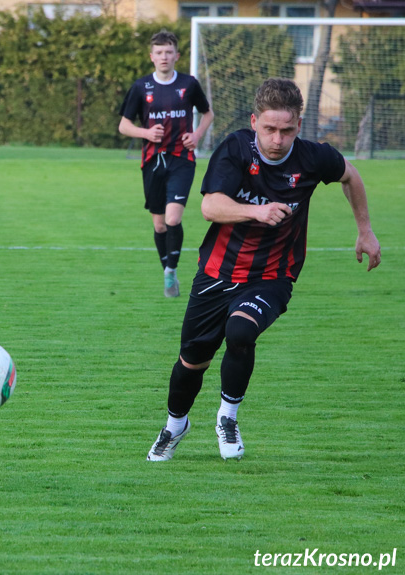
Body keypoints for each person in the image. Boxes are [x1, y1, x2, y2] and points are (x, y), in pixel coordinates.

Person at [146, 77, 381, 462]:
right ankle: (175, 425)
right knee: (193, 360)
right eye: (269, 128)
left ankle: (228, 417)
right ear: (254, 121)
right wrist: (256, 210)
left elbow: (350, 176)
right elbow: (210, 207)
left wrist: (365, 230)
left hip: (273, 275)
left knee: (241, 332)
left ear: (298, 127)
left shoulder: (312, 157)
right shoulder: (235, 149)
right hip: (216, 272)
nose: (277, 139)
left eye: (286, 130)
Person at [118, 29, 214, 298]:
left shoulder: (188, 84)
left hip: (182, 159)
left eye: (169, 52)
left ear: (177, 55)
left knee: (173, 218)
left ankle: (172, 269)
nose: (164, 57)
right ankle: (167, 273)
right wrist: (146, 133)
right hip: (152, 162)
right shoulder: (140, 87)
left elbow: (208, 113)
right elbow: (124, 125)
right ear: (152, 57)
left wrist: (196, 135)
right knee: (159, 225)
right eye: (159, 52)